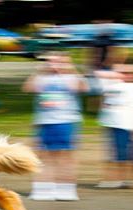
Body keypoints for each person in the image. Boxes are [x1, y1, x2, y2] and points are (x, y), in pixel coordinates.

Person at [23, 52, 89, 201]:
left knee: (66, 156)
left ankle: (66, 189)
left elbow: (83, 88)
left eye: (58, 61)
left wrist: (71, 69)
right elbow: (28, 88)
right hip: (45, 121)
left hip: (66, 120)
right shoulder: (41, 78)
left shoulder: (71, 76)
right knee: (43, 155)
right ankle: (43, 188)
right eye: (50, 61)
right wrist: (38, 71)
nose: (54, 64)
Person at [95, 63, 133, 188]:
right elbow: (97, 73)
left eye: (130, 73)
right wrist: (116, 73)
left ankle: (131, 179)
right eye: (124, 73)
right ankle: (117, 178)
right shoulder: (111, 85)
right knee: (116, 152)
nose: (127, 75)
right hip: (113, 122)